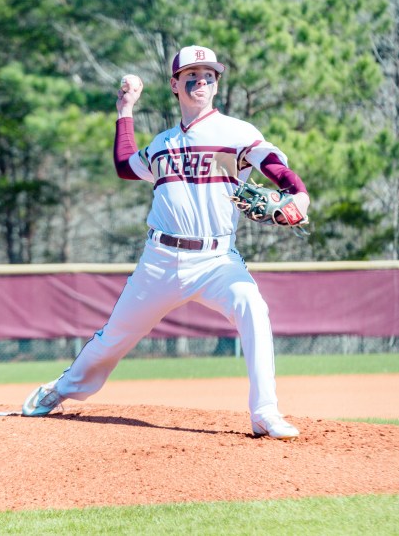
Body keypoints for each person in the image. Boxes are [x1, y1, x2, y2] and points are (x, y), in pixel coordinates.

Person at [21, 45, 310, 439]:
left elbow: (275, 167)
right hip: (159, 259)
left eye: (208, 75)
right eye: (191, 75)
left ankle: (264, 412)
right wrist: (125, 111)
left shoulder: (237, 133)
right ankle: (61, 389)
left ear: (216, 84)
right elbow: (125, 166)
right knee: (114, 338)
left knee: (253, 309)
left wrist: (299, 195)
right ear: (175, 84)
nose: (201, 81)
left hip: (217, 260)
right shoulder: (162, 144)